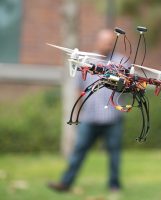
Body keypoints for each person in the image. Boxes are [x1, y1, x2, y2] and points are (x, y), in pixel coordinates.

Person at [48, 29, 128, 192]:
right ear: (97, 42)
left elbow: (128, 86)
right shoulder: (87, 60)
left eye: (111, 42)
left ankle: (114, 185)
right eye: (105, 41)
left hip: (113, 118)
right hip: (90, 118)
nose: (108, 45)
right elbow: (78, 87)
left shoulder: (122, 62)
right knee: (78, 151)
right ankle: (65, 183)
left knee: (114, 154)